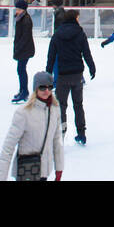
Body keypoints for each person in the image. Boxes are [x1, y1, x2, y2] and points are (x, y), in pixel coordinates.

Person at [0, 71, 64, 181]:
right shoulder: (23, 113)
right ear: (36, 89)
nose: (46, 91)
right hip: (26, 171)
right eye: (42, 87)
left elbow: (57, 141)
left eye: (49, 87)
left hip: (44, 172)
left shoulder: (54, 109)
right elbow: (8, 147)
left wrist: (59, 169)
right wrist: (1, 178)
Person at [45, 9, 95, 145]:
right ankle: (81, 133)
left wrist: (48, 73)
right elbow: (86, 53)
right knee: (78, 105)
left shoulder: (57, 34)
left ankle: (61, 132)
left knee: (61, 105)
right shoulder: (80, 33)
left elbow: (51, 55)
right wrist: (92, 67)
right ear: (75, 18)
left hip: (63, 75)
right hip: (77, 74)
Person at [11, 0, 35, 103]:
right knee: (20, 70)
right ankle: (22, 90)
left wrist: (19, 47)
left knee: (21, 69)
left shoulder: (26, 20)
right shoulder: (20, 18)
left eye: (18, 9)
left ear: (23, 9)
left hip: (25, 49)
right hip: (23, 48)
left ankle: (24, 91)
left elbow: (25, 36)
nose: (17, 11)